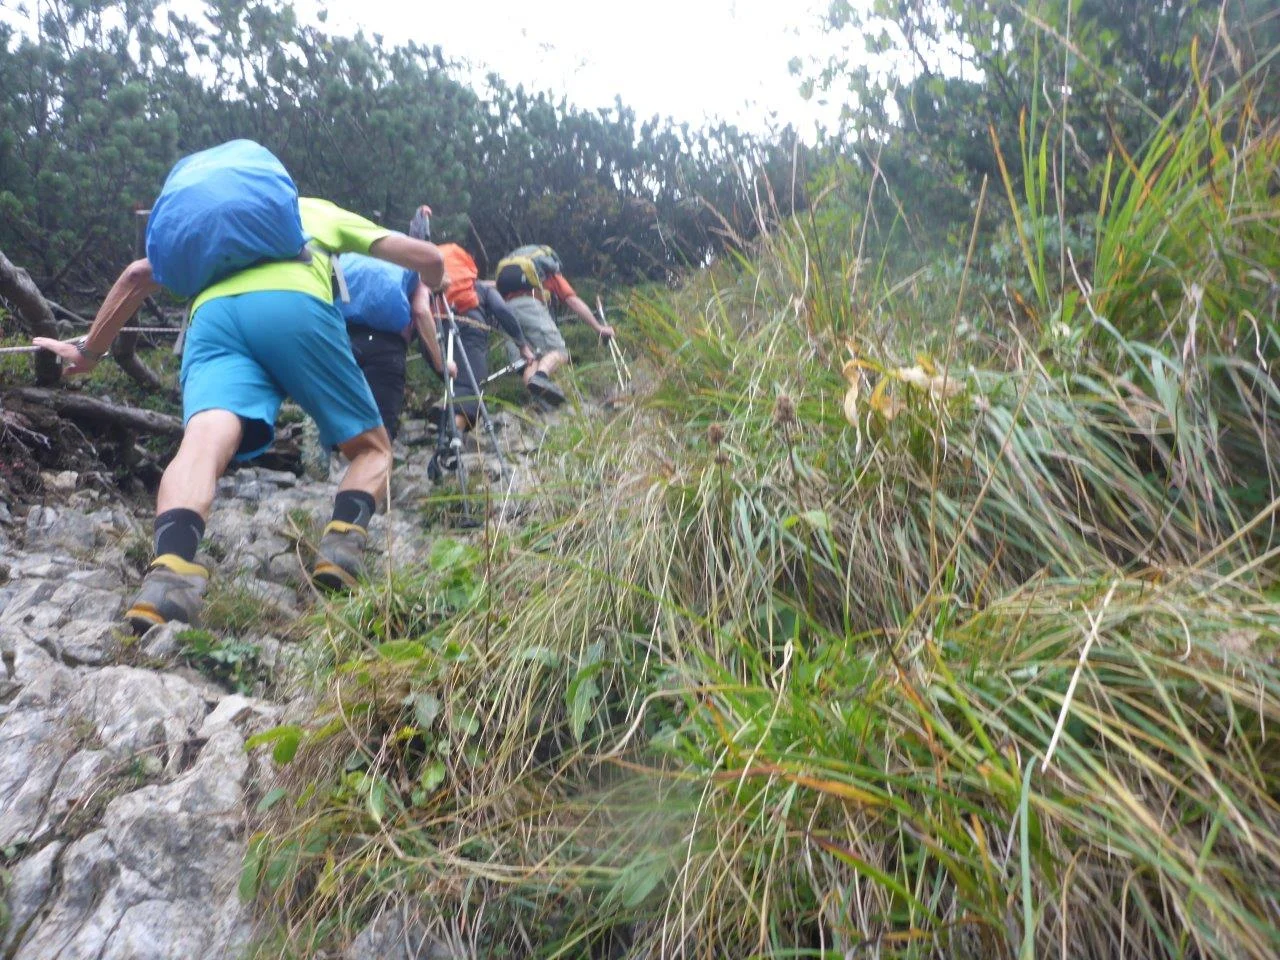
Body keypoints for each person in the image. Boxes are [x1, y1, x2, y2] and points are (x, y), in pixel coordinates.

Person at [35, 183, 446, 632]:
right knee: (372, 448)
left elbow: (136, 275)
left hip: (213, 320)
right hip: (295, 308)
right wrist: (436, 283)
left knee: (202, 444)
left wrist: (90, 352)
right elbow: (428, 258)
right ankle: (341, 547)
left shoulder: (219, 230)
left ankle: (168, 575)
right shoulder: (313, 210)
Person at [406, 208, 537, 431]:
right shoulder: (476, 287)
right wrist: (522, 345)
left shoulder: (425, 286)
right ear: (467, 265)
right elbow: (502, 311)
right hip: (468, 331)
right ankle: (452, 434)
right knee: (472, 389)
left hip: (431, 332)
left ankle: (445, 410)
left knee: (456, 381)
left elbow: (415, 314)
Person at [338, 251, 455, 441]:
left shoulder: (361, 266)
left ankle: (339, 467)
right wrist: (442, 364)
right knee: (379, 437)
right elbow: (420, 311)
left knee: (343, 432)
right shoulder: (418, 274)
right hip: (385, 352)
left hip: (344, 344)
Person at [492, 243, 615, 405]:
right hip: (530, 307)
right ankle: (542, 377)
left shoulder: (511, 280)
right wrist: (598, 327)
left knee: (530, 360)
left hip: (504, 312)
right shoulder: (549, 275)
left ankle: (540, 401)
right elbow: (573, 301)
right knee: (559, 352)